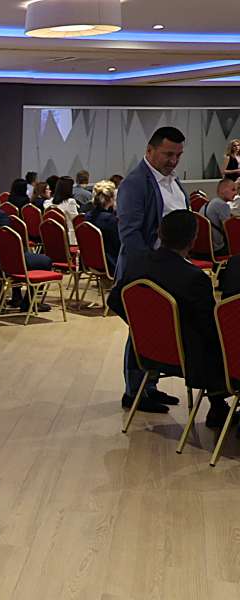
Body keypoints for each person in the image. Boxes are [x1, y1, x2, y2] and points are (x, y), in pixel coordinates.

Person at [108, 210, 228, 428]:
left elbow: (114, 300)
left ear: (159, 233)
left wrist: (141, 328)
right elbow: (211, 328)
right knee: (221, 345)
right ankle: (218, 407)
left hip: (147, 350)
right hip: (187, 358)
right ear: (193, 240)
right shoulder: (194, 278)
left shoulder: (137, 265)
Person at [117, 126, 189, 414]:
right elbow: (130, 235)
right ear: (150, 150)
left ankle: (150, 385)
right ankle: (134, 392)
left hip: (170, 270)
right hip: (146, 271)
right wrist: (150, 270)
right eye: (168, 154)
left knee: (158, 331)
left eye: (178, 155)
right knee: (140, 331)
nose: (174, 160)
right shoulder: (136, 183)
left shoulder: (173, 181)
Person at [0, 178, 53, 312]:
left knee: (21, 256)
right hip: (1, 263)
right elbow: (8, 243)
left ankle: (15, 296)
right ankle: (29, 303)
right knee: (45, 261)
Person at [84, 180, 121, 270]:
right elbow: (119, 245)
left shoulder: (87, 216)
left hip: (93, 262)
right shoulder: (110, 220)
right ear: (111, 198)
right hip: (111, 263)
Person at [201, 177, 236, 254]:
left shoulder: (210, 202)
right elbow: (229, 232)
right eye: (233, 190)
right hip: (218, 249)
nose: (235, 193)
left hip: (203, 249)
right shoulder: (223, 205)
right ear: (223, 190)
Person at [46, 176, 81, 244]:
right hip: (70, 238)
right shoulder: (70, 202)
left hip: (53, 237)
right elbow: (76, 221)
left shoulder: (48, 203)